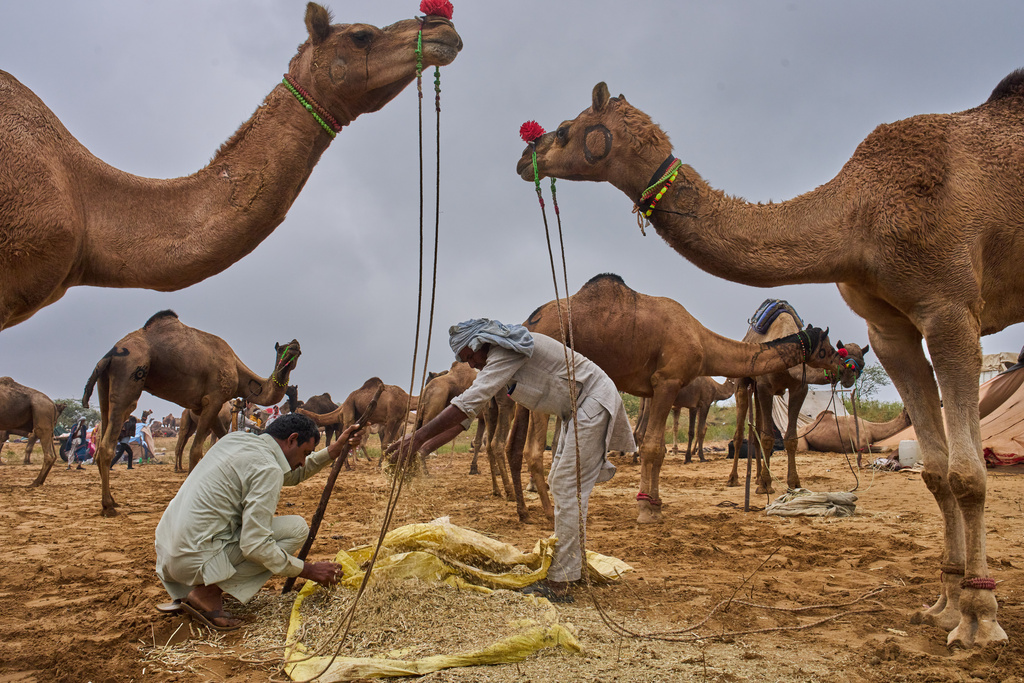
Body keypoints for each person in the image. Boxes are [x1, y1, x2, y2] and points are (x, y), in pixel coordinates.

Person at [386, 318, 635, 603]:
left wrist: (416, 438)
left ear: (480, 344)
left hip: (590, 401)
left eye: (470, 357)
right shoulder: (497, 361)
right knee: (563, 485)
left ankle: (560, 583)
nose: (472, 365)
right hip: (574, 411)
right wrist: (421, 450)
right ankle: (571, 569)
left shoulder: (505, 352)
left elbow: (464, 406)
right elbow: (467, 416)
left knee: (568, 487)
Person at [154, 413, 363, 630]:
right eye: (304, 453)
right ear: (291, 439)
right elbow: (255, 546)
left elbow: (291, 473)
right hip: (193, 559)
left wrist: (334, 450)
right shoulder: (268, 468)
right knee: (296, 530)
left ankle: (200, 586)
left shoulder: (235, 440)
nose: (302, 462)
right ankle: (207, 593)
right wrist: (309, 570)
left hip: (169, 554)